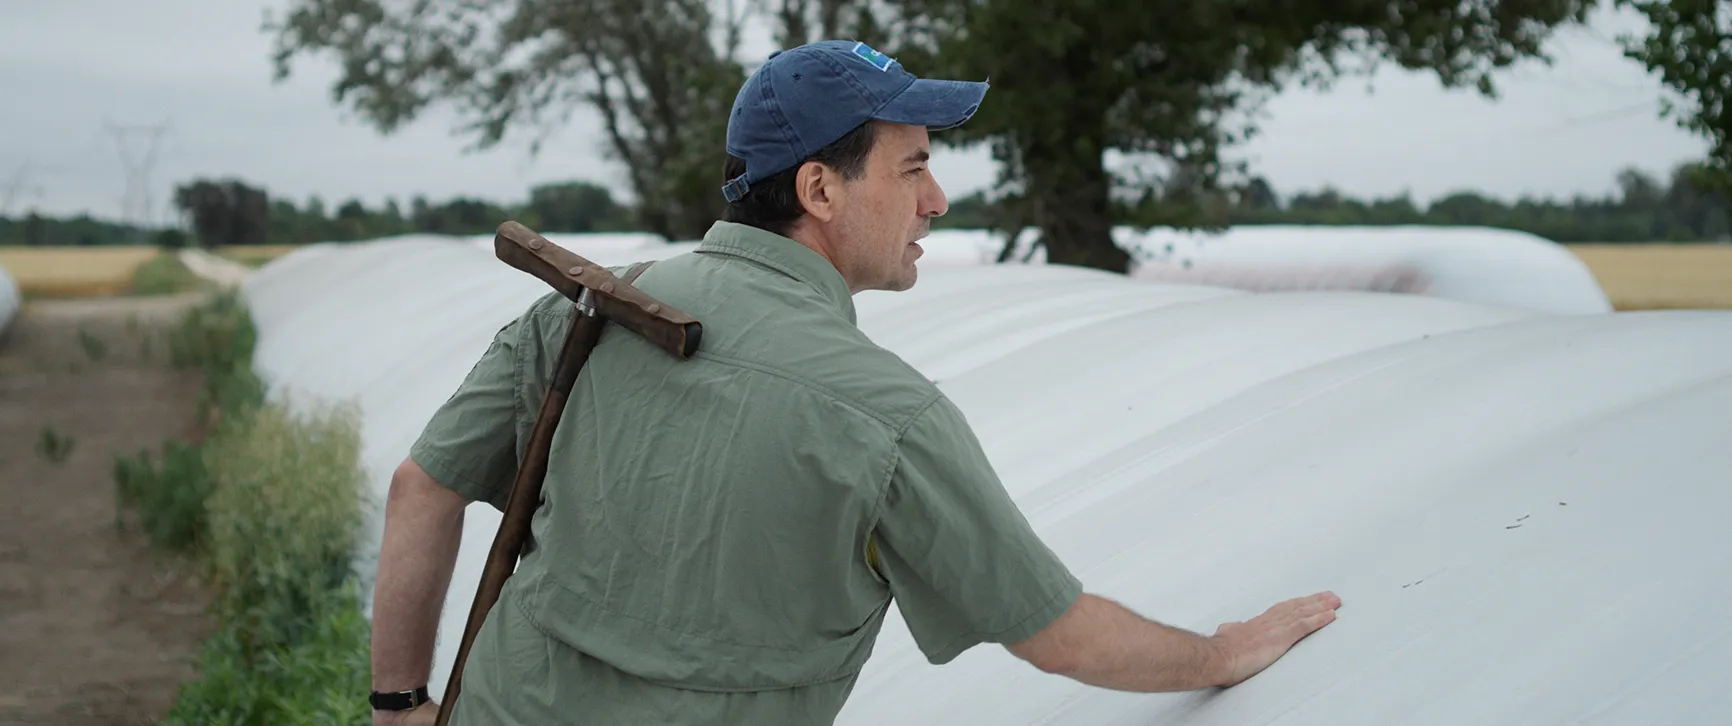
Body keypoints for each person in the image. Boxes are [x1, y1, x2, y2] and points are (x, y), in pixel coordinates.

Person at [368, 39, 1341, 726]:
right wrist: (1218, 655)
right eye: (912, 166)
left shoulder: (578, 312)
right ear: (819, 189)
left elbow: (422, 489)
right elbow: (1060, 637)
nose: (937, 199)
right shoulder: (884, 415)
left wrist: (400, 705)